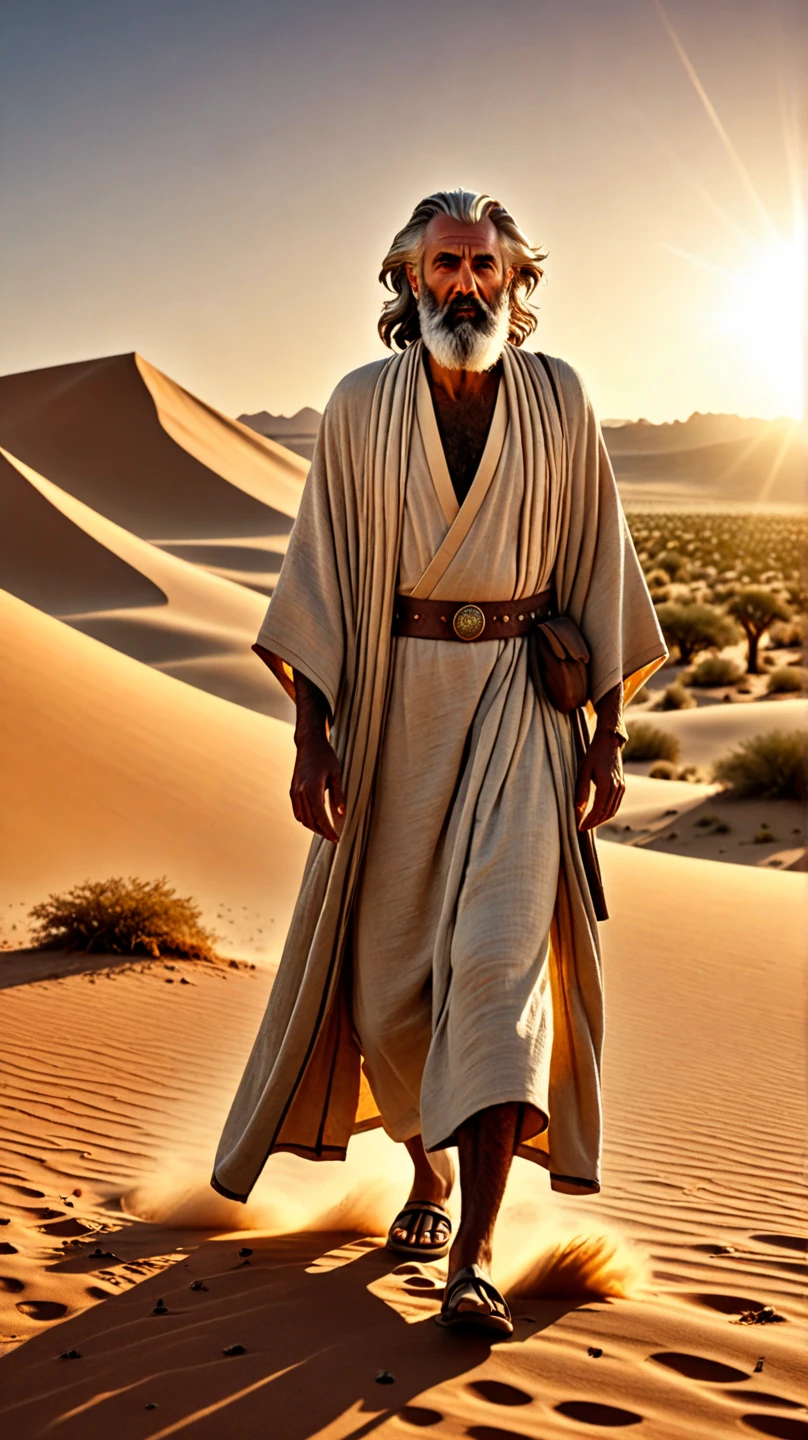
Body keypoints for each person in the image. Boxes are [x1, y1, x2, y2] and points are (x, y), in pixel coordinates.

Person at [211, 188, 667, 1335]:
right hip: (395, 706)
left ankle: (476, 1256)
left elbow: (600, 564)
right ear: (408, 279)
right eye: (444, 265)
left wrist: (606, 735)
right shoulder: (359, 406)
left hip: (521, 704)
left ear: (516, 281)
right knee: (387, 993)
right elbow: (317, 574)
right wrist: (311, 738)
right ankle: (424, 1175)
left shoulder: (560, 397)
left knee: (501, 973)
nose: (465, 284)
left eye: (484, 265)